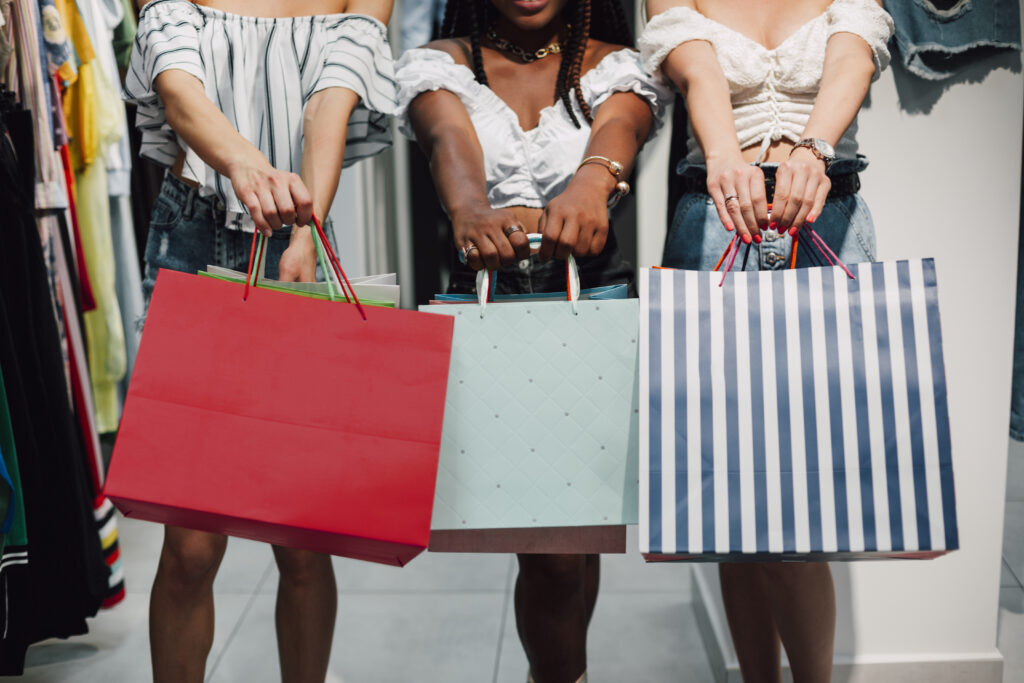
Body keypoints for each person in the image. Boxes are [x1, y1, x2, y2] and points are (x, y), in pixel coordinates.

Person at [396, 0, 669, 680]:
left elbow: (619, 129)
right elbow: (446, 139)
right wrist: (469, 207)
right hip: (498, 315)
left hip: (593, 307)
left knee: (581, 537)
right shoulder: (442, 65)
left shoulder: (618, 67)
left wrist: (592, 180)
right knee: (546, 552)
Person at [123, 1, 396, 681]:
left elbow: (331, 101)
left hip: (300, 234)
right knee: (190, 543)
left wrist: (306, 227)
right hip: (195, 231)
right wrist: (248, 167)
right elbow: (178, 89)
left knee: (301, 537)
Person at [638, 1, 893, 681]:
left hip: (826, 212)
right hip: (719, 217)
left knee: (805, 509)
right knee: (730, 499)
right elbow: (697, 72)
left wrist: (814, 146)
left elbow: (854, 55)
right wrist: (724, 153)